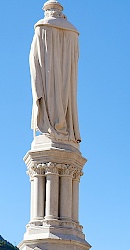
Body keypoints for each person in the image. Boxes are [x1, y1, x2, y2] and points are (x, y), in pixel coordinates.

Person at [29, 1, 81, 145]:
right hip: (68, 83)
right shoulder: (73, 32)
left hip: (47, 76)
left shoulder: (42, 27)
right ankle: (65, 127)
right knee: (66, 95)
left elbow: (35, 60)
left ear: (47, 11)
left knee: (49, 96)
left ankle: (50, 125)